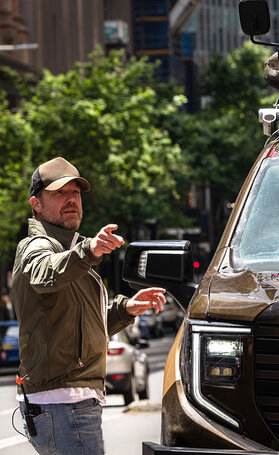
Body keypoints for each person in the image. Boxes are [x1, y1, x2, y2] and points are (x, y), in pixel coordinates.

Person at [12, 157, 167, 454]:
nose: (71, 199)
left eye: (76, 192)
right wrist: (89, 250)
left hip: (73, 401)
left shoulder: (71, 249)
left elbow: (80, 325)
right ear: (36, 204)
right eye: (59, 193)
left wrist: (126, 309)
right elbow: (44, 273)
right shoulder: (38, 247)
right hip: (63, 401)